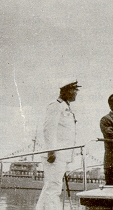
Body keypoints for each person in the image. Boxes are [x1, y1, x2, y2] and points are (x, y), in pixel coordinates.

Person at [36, 80, 81, 210]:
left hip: (62, 154)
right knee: (54, 188)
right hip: (55, 154)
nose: (76, 93)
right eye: (74, 90)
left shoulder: (66, 107)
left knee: (49, 187)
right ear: (66, 91)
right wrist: (51, 151)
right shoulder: (56, 106)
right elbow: (49, 129)